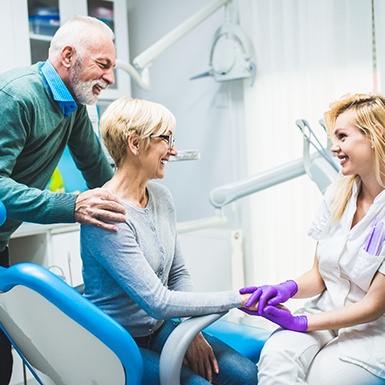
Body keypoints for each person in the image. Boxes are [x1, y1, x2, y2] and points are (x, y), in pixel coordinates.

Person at [80, 96, 258, 385]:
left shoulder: (162, 197)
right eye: (166, 139)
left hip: (163, 328)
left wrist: (189, 329)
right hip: (118, 344)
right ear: (135, 143)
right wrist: (239, 299)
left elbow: (178, 273)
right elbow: (157, 302)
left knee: (246, 376)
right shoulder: (106, 213)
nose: (173, 150)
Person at [0, 15, 127, 385]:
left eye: (112, 67)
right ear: (68, 56)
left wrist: (136, 195)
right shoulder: (17, 96)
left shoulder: (71, 106)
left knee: (2, 358)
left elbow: (97, 168)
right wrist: (70, 205)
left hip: (2, 239)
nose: (110, 78)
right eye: (103, 65)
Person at [240, 93, 385, 385]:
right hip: (326, 312)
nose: (334, 147)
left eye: (342, 137)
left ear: (373, 137)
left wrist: (301, 322)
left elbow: (374, 306)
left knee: (323, 376)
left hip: (373, 329)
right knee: (275, 359)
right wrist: (286, 288)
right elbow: (320, 274)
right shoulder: (338, 193)